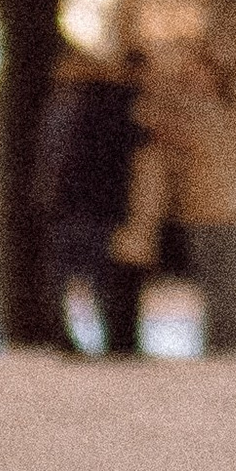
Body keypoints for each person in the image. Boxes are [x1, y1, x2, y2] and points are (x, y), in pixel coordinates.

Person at [129, 0, 236, 353]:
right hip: (201, 205)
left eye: (200, 69)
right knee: (214, 282)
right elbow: (155, 124)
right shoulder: (183, 108)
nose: (195, 76)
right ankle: (219, 344)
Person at [35, 32, 146, 355]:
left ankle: (89, 337)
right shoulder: (88, 104)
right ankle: (80, 337)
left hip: (83, 204)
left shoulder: (89, 104)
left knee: (86, 273)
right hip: (82, 204)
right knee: (83, 274)